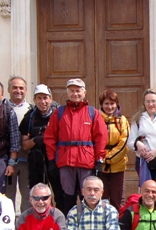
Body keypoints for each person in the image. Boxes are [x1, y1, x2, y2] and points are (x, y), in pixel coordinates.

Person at [44, 78, 108, 216]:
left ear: (84, 92)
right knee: (67, 197)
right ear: (67, 93)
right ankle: (68, 229)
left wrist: (99, 160)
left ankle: (88, 226)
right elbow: (50, 137)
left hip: (86, 162)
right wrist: (51, 160)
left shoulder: (93, 113)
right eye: (72, 91)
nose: (75, 94)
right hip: (65, 161)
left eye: (78, 90)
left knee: (88, 196)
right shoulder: (59, 112)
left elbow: (101, 137)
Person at [19, 84, 64, 207]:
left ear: (50, 98)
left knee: (60, 195)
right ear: (34, 100)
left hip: (56, 161)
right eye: (39, 98)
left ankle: (60, 223)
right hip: (36, 161)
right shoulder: (29, 117)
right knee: (38, 196)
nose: (42, 101)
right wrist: (36, 140)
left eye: (45, 98)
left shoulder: (60, 115)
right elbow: (24, 145)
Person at [99, 90, 129, 209]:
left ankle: (119, 224)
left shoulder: (122, 120)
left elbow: (124, 141)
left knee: (118, 197)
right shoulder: (96, 118)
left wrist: (109, 157)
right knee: (102, 196)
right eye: (106, 103)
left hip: (118, 164)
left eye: (112, 103)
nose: (109, 107)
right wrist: (102, 158)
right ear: (102, 104)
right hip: (100, 164)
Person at [5, 76, 31, 212]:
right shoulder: (2, 108)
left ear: (26, 90)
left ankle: (24, 227)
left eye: (21, 88)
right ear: (9, 89)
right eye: (14, 87)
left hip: (26, 161)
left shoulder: (31, 110)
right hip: (6, 161)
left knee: (27, 196)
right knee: (7, 196)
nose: (18, 90)